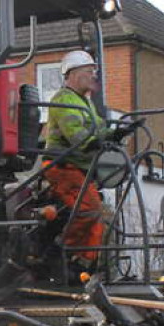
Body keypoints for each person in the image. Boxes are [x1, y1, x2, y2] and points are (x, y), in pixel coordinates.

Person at [43, 50, 111, 275]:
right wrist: (101, 138)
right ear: (72, 73)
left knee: (97, 215)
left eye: (94, 72)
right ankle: (60, 250)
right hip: (62, 167)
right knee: (89, 210)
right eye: (88, 71)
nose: (93, 76)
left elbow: (100, 127)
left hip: (80, 168)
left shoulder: (85, 103)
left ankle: (82, 265)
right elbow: (77, 136)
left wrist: (117, 132)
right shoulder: (63, 99)